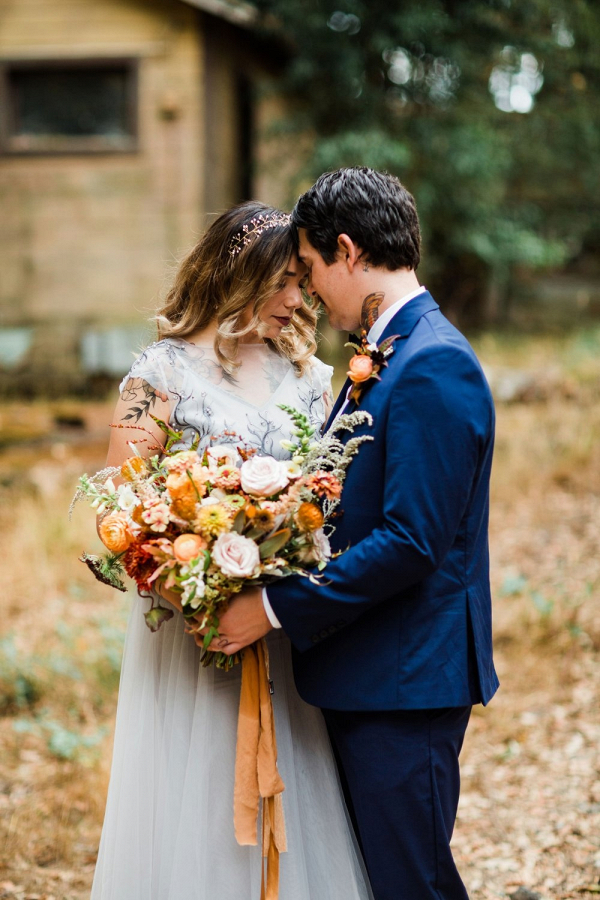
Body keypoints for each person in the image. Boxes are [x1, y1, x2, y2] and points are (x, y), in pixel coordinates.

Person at [212, 168, 499, 900]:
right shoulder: (387, 351)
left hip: (406, 678)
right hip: (373, 667)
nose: (307, 290)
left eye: (308, 269)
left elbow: (412, 539)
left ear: (345, 249)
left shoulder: (432, 364)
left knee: (415, 883)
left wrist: (274, 609)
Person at [91, 201, 372, 900]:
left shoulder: (308, 376)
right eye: (279, 281)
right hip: (193, 626)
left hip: (278, 620)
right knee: (198, 785)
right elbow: (117, 505)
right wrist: (196, 588)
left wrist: (285, 575)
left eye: (300, 281)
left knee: (291, 778)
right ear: (234, 273)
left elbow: (326, 494)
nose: (294, 298)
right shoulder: (161, 369)